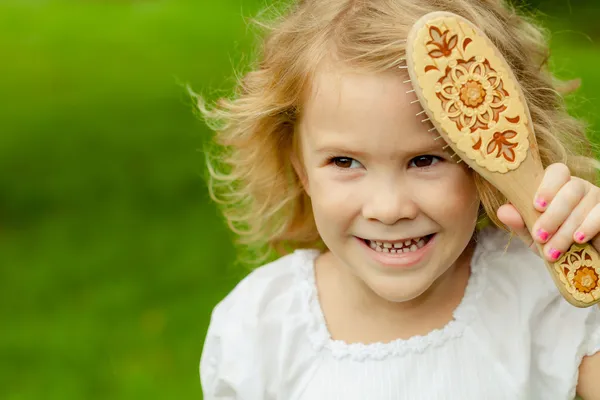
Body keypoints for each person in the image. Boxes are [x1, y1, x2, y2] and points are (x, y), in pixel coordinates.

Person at [198, 0, 600, 398]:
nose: (388, 209)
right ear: (300, 167)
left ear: (486, 160)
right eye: (345, 161)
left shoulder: (540, 297)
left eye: (424, 160)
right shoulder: (257, 329)